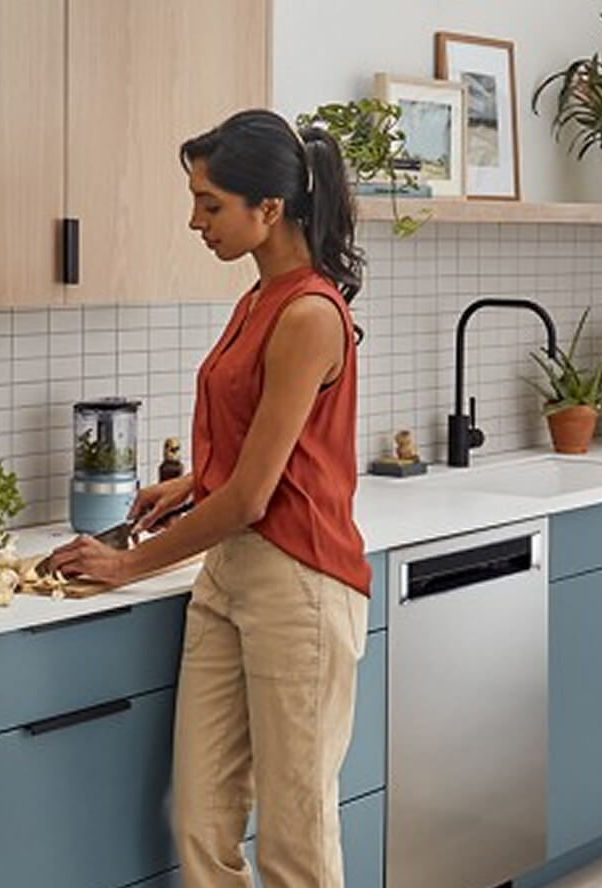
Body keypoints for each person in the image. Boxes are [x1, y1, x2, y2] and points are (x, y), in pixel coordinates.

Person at [45, 108, 372, 888]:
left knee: (295, 831)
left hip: (299, 583)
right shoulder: (257, 299)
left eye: (210, 203)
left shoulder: (308, 314)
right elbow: (261, 450)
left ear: (270, 209)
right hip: (229, 575)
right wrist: (195, 480)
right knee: (200, 822)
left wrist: (128, 566)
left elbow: (258, 495)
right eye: (195, 199)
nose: (195, 221)